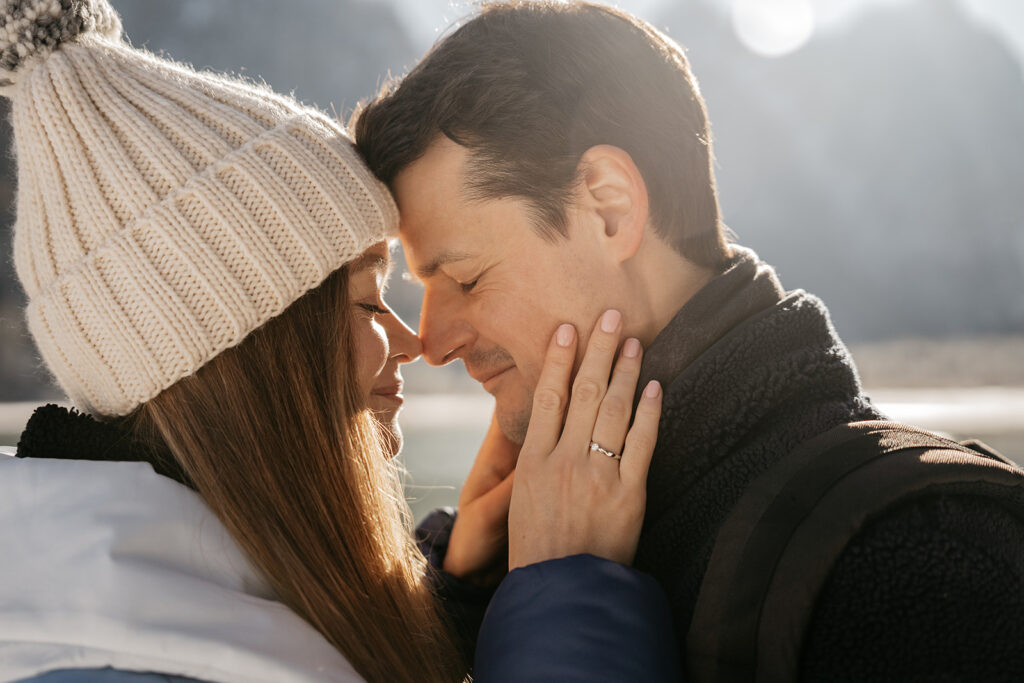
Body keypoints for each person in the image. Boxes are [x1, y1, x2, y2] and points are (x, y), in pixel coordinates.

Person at [0, 1, 680, 681]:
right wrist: (566, 598)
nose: (417, 341)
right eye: (365, 301)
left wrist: (452, 593)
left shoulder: (125, 618)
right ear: (257, 354)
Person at [353, 1, 1024, 679]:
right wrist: (460, 597)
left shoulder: (929, 562)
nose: (431, 342)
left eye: (465, 278)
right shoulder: (510, 555)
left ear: (608, 206)